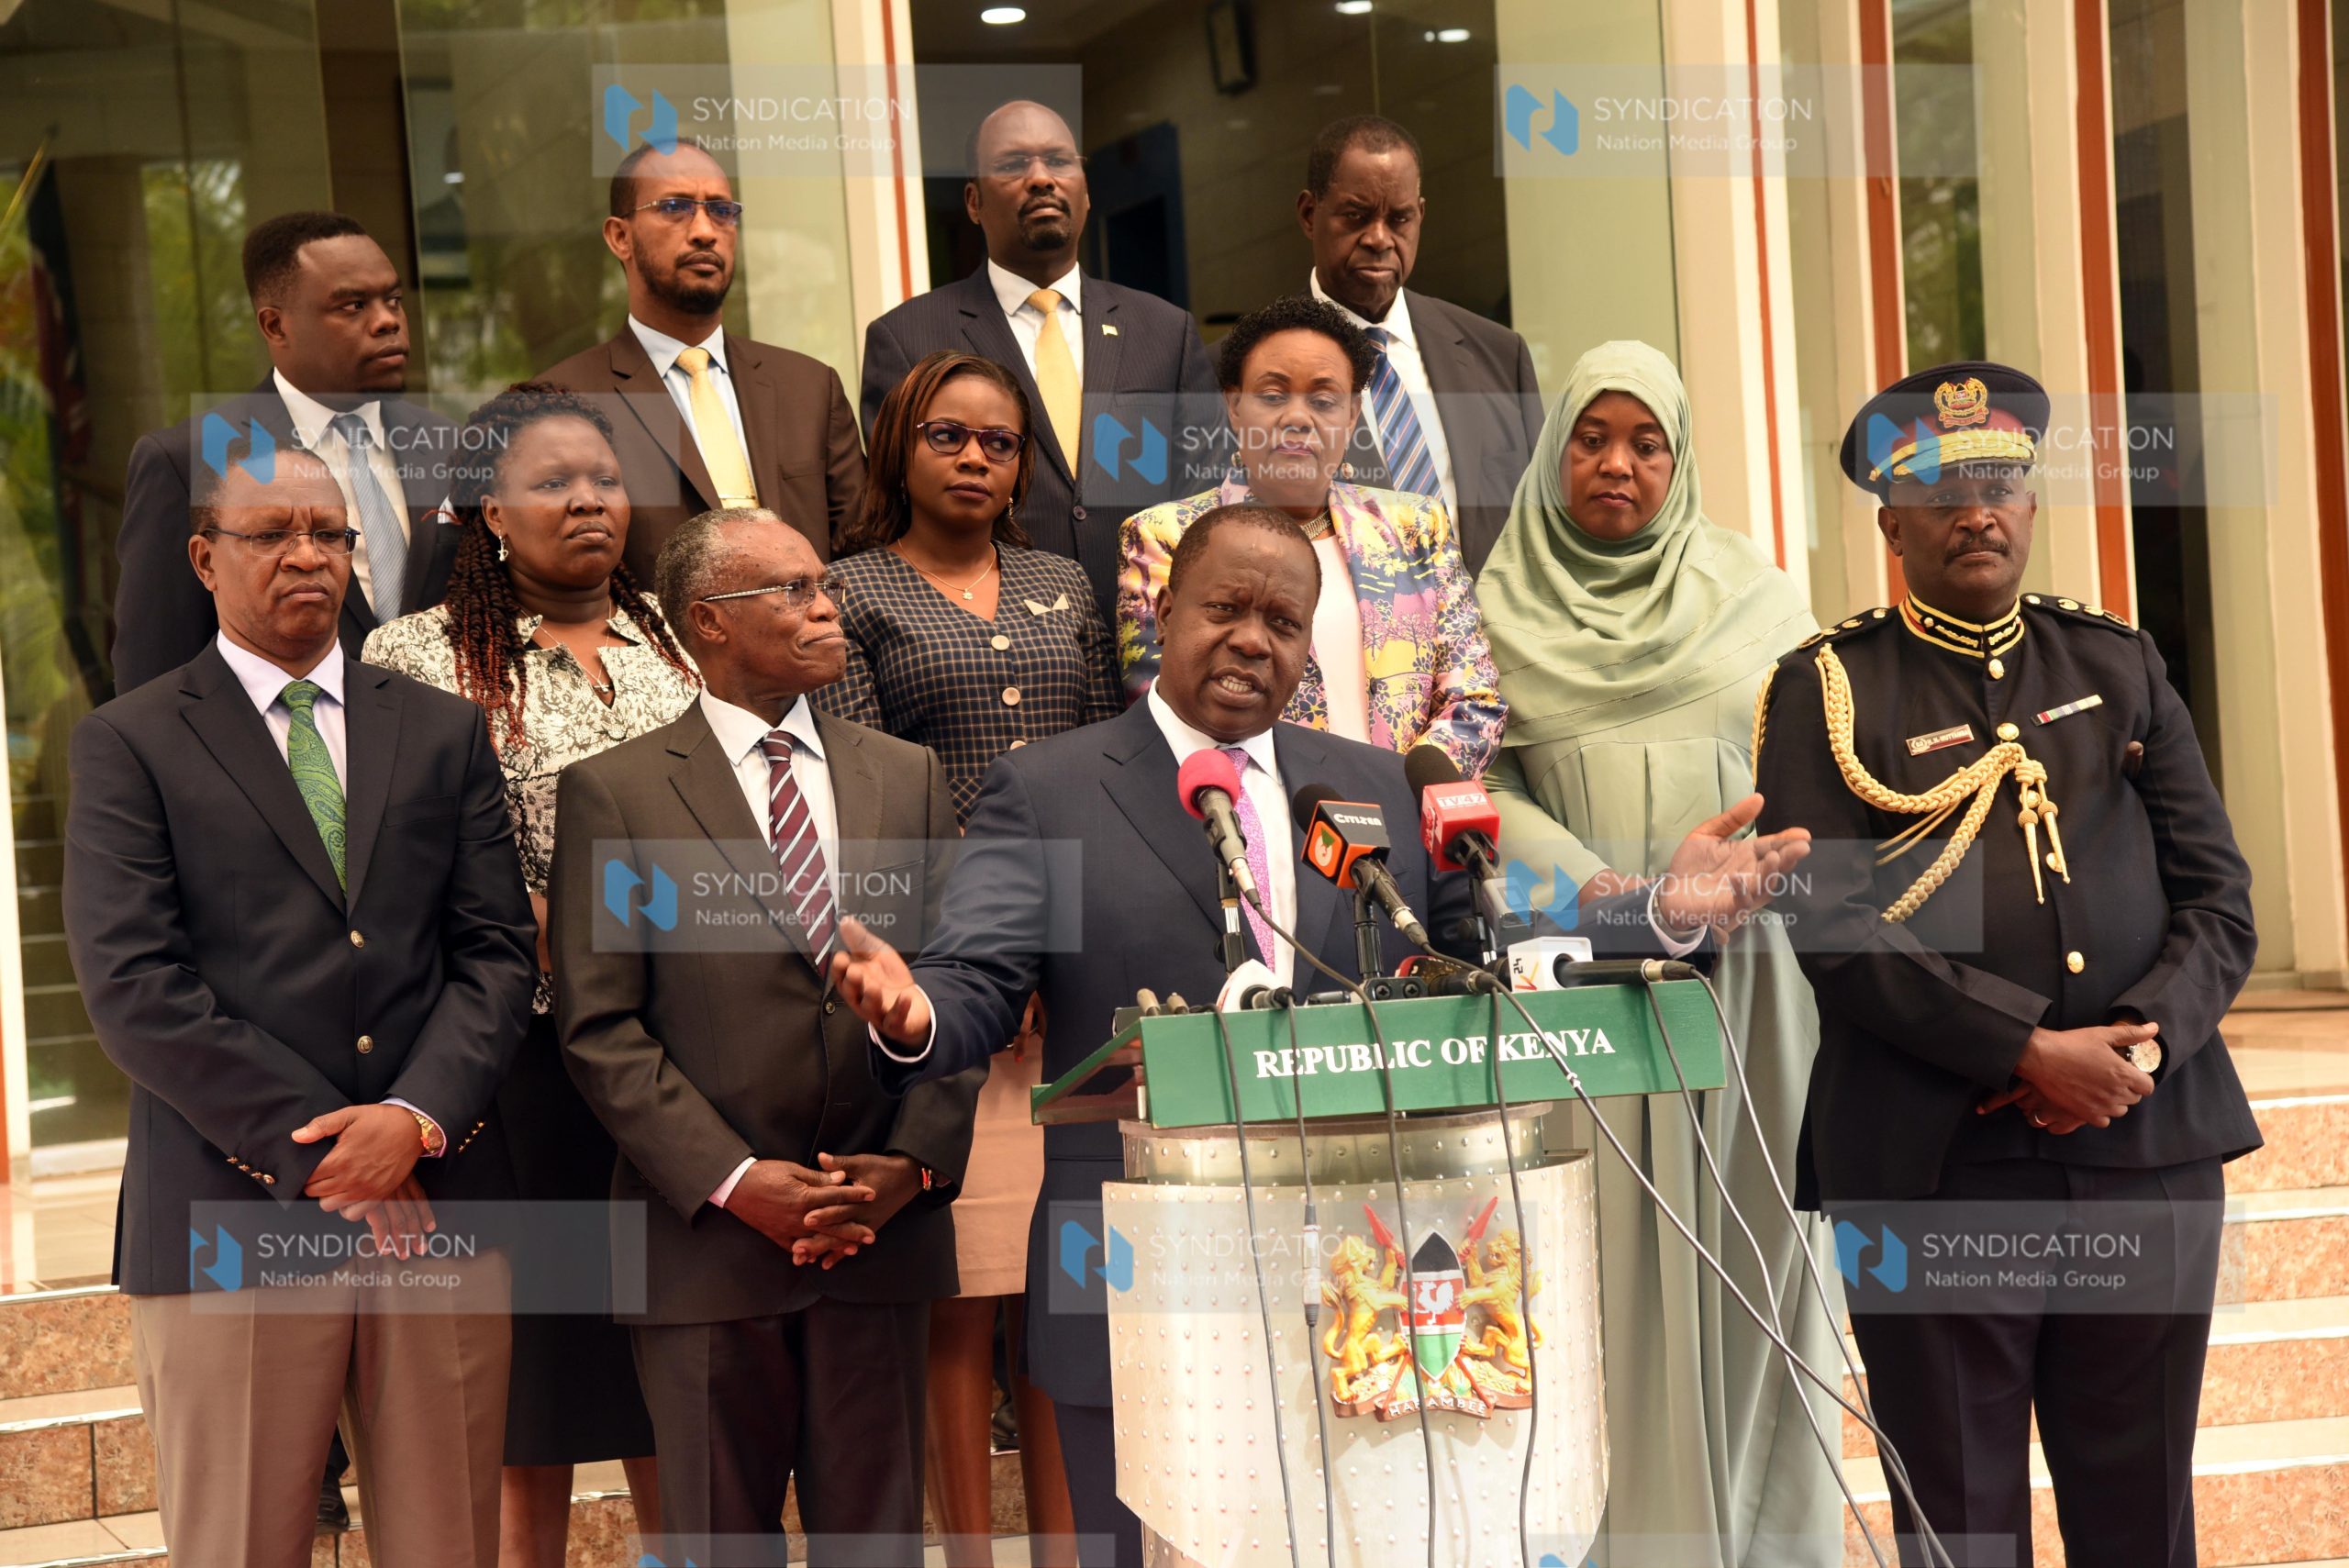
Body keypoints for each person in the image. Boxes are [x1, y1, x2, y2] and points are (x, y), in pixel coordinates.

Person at [828, 503, 1817, 1568]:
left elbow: (1490, 948)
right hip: (1144, 1270)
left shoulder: (1376, 783)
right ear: (1163, 612)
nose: (1254, 637)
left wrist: (1662, 911)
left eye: (1284, 621)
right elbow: (977, 977)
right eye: (1225, 608)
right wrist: (916, 1009)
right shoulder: (1051, 788)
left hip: (1371, 1268)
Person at [1753, 362, 2262, 1568]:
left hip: (2144, 1146)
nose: (1975, 508)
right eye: (1939, 487)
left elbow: (2220, 899)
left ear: (2030, 506)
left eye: (1999, 483)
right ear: (1892, 521)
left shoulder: (2116, 664)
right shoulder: (1827, 690)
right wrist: (2025, 1049)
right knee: (1960, 1518)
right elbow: (1832, 927)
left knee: (2139, 1512)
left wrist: (2134, 1044)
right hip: (1937, 1165)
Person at [62, 443, 537, 1566]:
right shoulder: (129, 741)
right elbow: (134, 988)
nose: (307, 555)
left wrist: (412, 1120)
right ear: (203, 559)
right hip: (232, 1213)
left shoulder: (439, 728)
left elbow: (498, 956)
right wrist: (333, 1148)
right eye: (272, 533)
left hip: (438, 1200)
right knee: (240, 1542)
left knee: (449, 1542)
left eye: (328, 533)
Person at [548, 507, 982, 1568]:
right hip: (706, 1251)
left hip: (878, 1239)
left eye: (823, 582)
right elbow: (599, 1026)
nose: (826, 605)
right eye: (791, 589)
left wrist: (910, 1165)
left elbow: (960, 986)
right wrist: (740, 1181)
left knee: (874, 1549)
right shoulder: (616, 793)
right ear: (708, 620)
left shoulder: (906, 774)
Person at [1475, 340, 1842, 1566]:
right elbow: (1478, 801)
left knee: (1757, 1259)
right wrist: (1621, 897)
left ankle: (1767, 1540)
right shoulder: (1493, 614)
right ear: (1554, 451)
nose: (1615, 464)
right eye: (1591, 438)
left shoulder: (1761, 596)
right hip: (1583, 997)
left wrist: (1740, 876)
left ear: (1679, 463)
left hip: (1755, 988)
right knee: (1604, 1279)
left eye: (1646, 443)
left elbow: (1819, 785)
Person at [362, 384, 699, 1568]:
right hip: (516, 1056)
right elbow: (400, 861)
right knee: (538, 1373)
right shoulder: (414, 656)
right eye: (553, 482)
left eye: (604, 478)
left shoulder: (675, 635)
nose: (589, 501)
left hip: (673, 1053)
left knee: (671, 1349)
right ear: (488, 509)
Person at [817, 350, 1104, 1568]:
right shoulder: (852, 591)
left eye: (1001, 440)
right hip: (948, 986)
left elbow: (1106, 773)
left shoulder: (1064, 585)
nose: (979, 457)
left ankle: (1067, 1546)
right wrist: (983, 964)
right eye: (950, 436)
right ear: (900, 449)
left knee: (1065, 1304)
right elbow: (873, 802)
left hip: (1078, 996)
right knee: (964, 1296)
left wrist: (1066, 949)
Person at [859, 99, 1219, 630]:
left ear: (1087, 189)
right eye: (1012, 165)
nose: (1040, 179)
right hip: (992, 649)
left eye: (1059, 161)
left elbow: (1206, 500)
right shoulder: (907, 338)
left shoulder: (1165, 332)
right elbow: (896, 511)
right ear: (974, 202)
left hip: (1150, 643)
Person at [1119, 294, 1504, 777]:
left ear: (1352, 415)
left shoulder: (1416, 525)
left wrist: (1403, 794)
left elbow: (1474, 700)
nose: (1298, 418)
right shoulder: (1164, 537)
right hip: (1257, 828)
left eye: (1324, 400)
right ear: (1234, 407)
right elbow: (1171, 716)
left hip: (1409, 820)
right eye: (1273, 395)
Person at [113, 209, 462, 695]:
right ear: (276, 326)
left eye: (394, 300)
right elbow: (152, 670)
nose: (388, 321)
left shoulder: (450, 446)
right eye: (353, 306)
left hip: (445, 750)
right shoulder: (196, 456)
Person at [539, 140, 865, 579]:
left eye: (721, 210)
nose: (705, 231)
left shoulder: (809, 387)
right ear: (620, 237)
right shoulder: (565, 400)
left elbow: (861, 555)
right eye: (675, 208)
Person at [1297, 115, 1545, 573]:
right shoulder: (1243, 372)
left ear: (1421, 216)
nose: (1378, 238)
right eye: (1356, 215)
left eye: (1399, 219)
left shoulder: (1498, 355)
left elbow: (1541, 526)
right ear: (1310, 215)